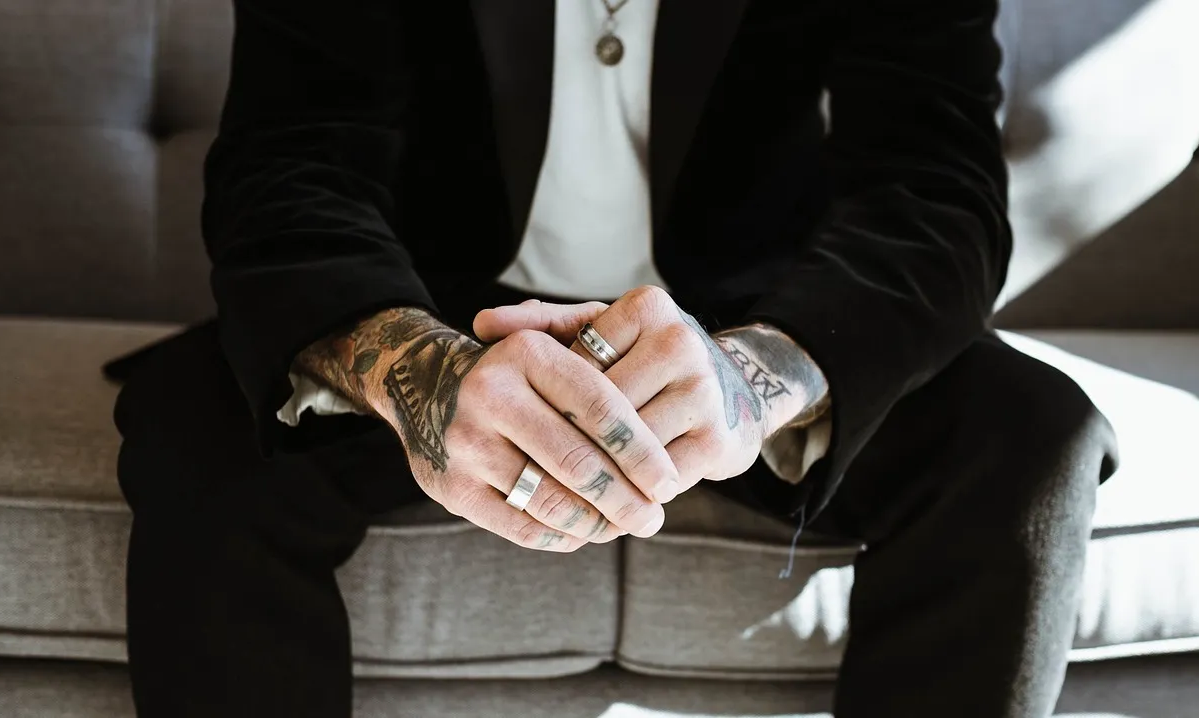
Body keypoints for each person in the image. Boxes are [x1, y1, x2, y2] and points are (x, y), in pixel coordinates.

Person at [111, 0, 1120, 715]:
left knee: (1026, 434)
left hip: (756, 312)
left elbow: (935, 193)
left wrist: (756, 374)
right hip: (428, 300)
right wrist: (418, 368)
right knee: (197, 429)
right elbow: (288, 163)